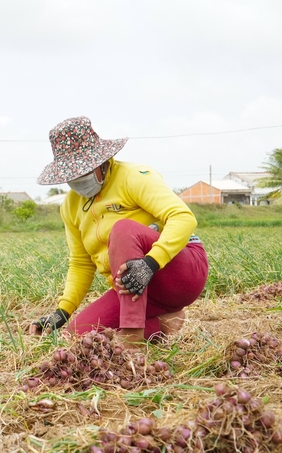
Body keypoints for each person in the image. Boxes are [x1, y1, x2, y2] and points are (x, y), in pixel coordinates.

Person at [30, 116, 208, 347]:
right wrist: (62, 312)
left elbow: (183, 217)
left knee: (122, 229)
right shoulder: (70, 206)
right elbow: (81, 263)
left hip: (177, 271)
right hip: (133, 289)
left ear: (102, 161)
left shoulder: (134, 177)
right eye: (71, 175)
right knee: (78, 337)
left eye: (83, 171)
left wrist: (150, 263)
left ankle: (133, 334)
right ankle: (164, 323)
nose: (77, 179)